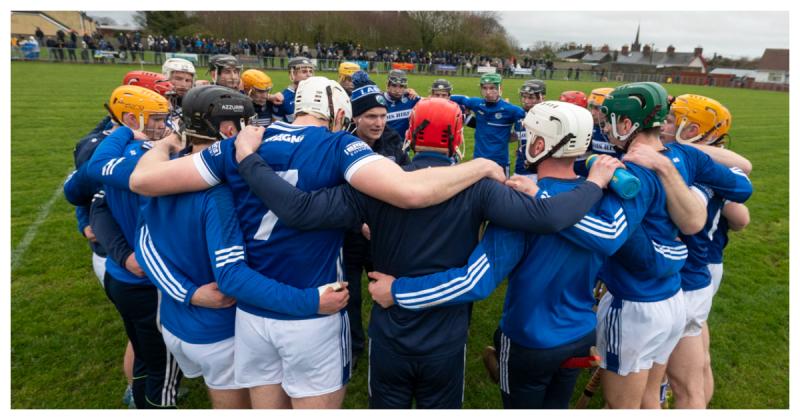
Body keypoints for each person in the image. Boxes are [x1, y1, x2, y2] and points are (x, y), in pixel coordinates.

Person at [127, 77, 506, 409]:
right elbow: (408, 191)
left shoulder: (245, 141)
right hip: (314, 310)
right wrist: (483, 166)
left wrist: (161, 148)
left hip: (252, 311)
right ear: (340, 116)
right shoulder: (340, 145)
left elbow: (143, 182)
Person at [230, 98, 614, 409]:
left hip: (390, 333)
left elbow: (302, 210)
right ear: (457, 139)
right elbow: (547, 216)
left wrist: (249, 159)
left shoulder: (374, 184)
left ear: (411, 133)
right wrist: (595, 184)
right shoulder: (481, 188)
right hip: (444, 339)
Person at [366, 101, 642, 409]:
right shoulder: (603, 196)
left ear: (539, 143)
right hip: (579, 334)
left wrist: (398, 290)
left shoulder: (519, 201)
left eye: (528, 136)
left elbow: (475, 282)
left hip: (529, 338)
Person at [135, 85, 349, 408]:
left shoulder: (162, 176)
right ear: (229, 130)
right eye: (247, 124)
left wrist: (181, 292)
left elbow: (143, 246)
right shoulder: (221, 194)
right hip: (219, 330)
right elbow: (231, 277)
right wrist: (310, 301)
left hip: (174, 320)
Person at [595, 82, 752, 409]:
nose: (666, 125)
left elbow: (613, 236)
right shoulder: (689, 155)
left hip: (650, 291)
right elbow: (742, 187)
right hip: (680, 290)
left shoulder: (636, 170)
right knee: (666, 389)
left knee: (632, 402)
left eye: (608, 120)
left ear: (626, 124)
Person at [86, 85, 181, 408]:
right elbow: (81, 191)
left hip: (122, 275)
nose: (164, 124)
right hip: (148, 282)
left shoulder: (115, 151)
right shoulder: (154, 163)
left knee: (144, 356)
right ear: (131, 118)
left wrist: (126, 134)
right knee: (163, 373)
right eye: (155, 118)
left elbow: (95, 200)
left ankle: (137, 399)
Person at [658, 93, 753, 408]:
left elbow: (741, 216)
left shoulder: (698, 164)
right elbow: (739, 222)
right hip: (702, 267)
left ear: (693, 127)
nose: (663, 124)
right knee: (697, 357)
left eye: (671, 120)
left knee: (672, 373)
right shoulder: (706, 161)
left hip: (688, 272)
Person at [451, 73, 525, 176]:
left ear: (500, 88)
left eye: (492, 88)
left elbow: (521, 135)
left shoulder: (513, 111)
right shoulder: (476, 104)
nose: (488, 92)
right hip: (478, 161)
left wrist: (503, 137)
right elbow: (458, 99)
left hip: (500, 162)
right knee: (478, 190)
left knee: (500, 191)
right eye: (484, 88)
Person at [512, 79, 546, 179]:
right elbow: (515, 136)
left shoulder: (549, 117)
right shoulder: (519, 114)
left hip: (541, 171)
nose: (526, 101)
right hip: (520, 168)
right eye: (524, 96)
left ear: (542, 97)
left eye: (531, 98)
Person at [272, 56, 315, 123]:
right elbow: (276, 126)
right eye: (304, 71)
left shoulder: (317, 93)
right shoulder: (283, 98)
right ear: (292, 74)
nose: (309, 75)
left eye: (311, 71)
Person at [383, 69, 420, 137]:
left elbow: (431, 104)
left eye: (401, 86)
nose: (397, 90)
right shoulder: (379, 100)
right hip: (384, 146)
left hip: (403, 146)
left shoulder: (411, 98)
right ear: (387, 85)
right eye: (394, 86)